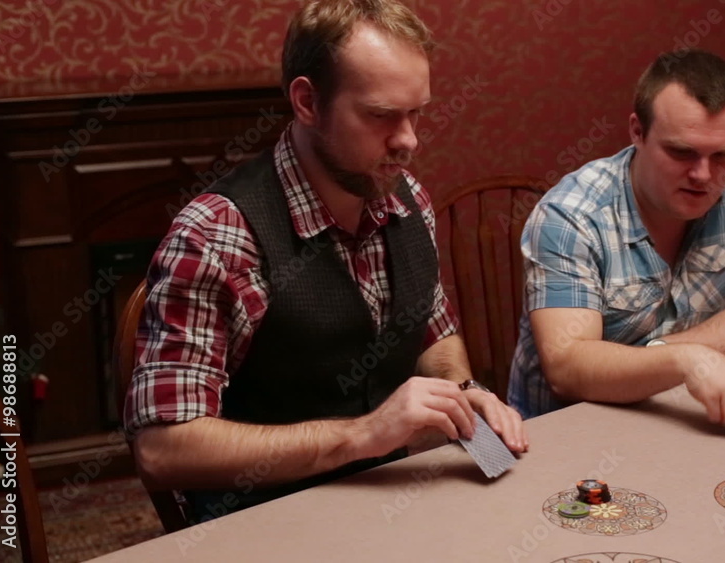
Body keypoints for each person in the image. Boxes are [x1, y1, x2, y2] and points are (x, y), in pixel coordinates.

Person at [123, 0, 527, 522]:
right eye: (381, 115)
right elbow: (161, 450)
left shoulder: (409, 202)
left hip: (389, 502)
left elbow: (432, 328)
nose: (409, 140)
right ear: (307, 102)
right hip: (266, 522)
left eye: (417, 112)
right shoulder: (218, 234)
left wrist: (463, 390)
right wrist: (363, 435)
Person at [507, 50, 725, 430]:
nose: (703, 174)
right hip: (566, 433)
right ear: (637, 132)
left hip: (682, 415)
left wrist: (665, 355)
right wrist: (687, 362)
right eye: (682, 152)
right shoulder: (569, 215)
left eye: (722, 154)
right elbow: (568, 368)